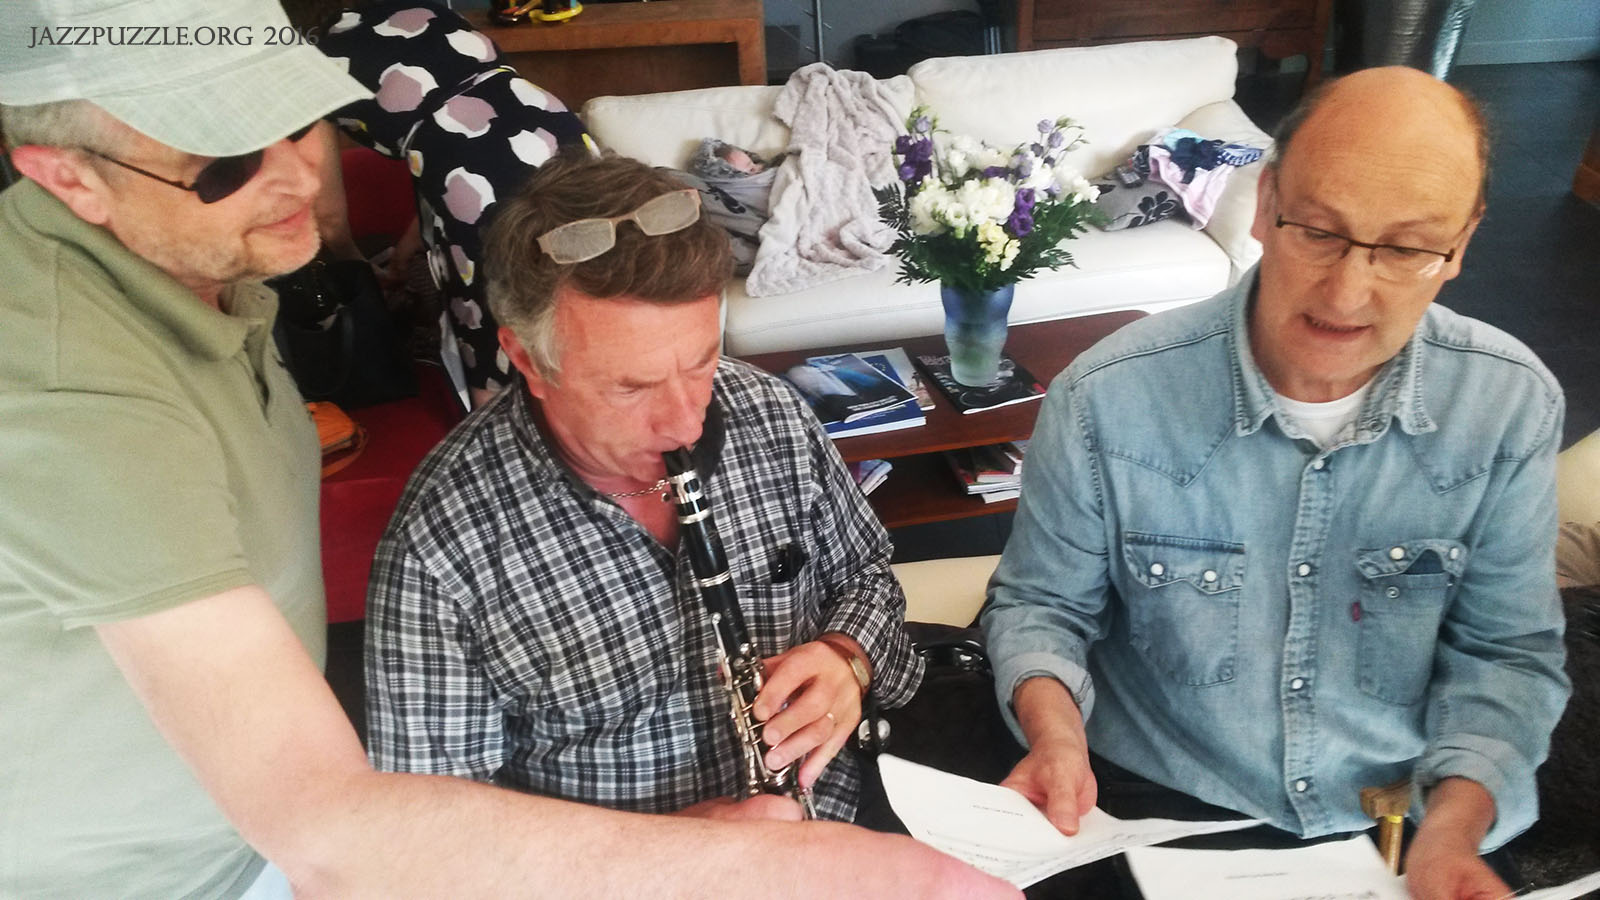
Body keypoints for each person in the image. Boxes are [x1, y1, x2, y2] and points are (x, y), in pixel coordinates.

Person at [0, 3, 1019, 897]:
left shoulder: (213, 273)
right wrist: (708, 861)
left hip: (815, 829)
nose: (297, 178)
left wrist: (845, 657)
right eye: (226, 161)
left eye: (296, 121)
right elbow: (356, 835)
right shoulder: (77, 396)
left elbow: (868, 583)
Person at [982, 66, 1570, 900]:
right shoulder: (1104, 398)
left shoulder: (1509, 405)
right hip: (1160, 802)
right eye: (1319, 232)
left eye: (1406, 249)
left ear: (1462, 244)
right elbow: (1042, 608)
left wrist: (1452, 828)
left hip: (1407, 820)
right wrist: (1057, 740)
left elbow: (1505, 654)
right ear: (1264, 203)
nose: (1348, 293)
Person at [365, 151, 924, 824]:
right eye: (630, 388)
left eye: (701, 363)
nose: (686, 422)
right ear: (526, 360)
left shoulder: (769, 411)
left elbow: (867, 576)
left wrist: (847, 657)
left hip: (838, 830)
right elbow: (432, 832)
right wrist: (681, 847)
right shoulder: (438, 548)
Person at [312, 0, 594, 408]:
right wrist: (407, 251)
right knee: (593, 262)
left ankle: (495, 425)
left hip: (467, 162)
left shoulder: (309, 57)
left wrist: (358, 268)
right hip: (549, 118)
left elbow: (329, 217)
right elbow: (447, 128)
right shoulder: (425, 7)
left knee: (486, 313)